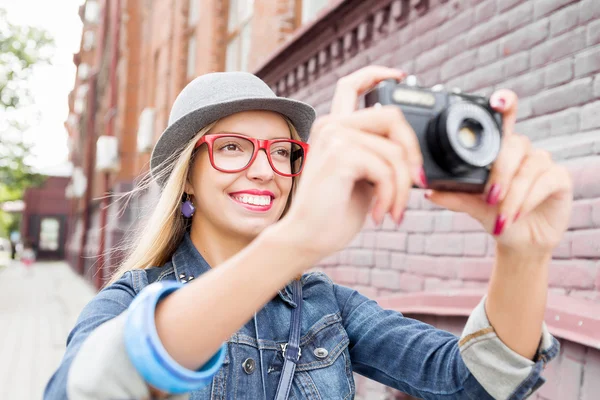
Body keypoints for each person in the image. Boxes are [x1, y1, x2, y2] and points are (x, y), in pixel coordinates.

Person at [44, 66, 572, 400]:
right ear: (187, 180)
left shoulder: (326, 308)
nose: (263, 169)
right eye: (232, 147)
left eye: (281, 151)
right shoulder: (131, 300)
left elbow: (474, 383)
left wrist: (524, 254)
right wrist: (295, 240)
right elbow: (80, 390)